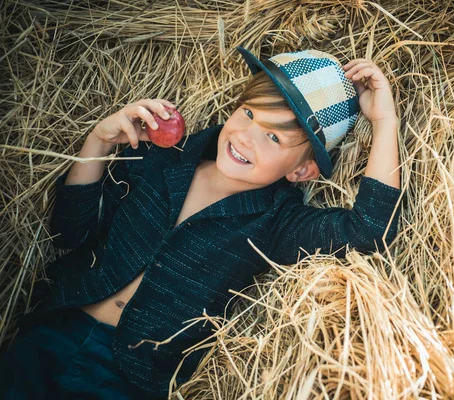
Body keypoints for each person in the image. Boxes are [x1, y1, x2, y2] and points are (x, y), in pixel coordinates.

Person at [0, 46, 402, 399]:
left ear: (303, 171)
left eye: (274, 138)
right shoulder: (161, 158)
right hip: (53, 332)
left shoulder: (277, 223)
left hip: (130, 380)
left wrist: (384, 123)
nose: (246, 137)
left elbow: (368, 230)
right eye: (248, 114)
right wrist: (99, 142)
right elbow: (70, 230)